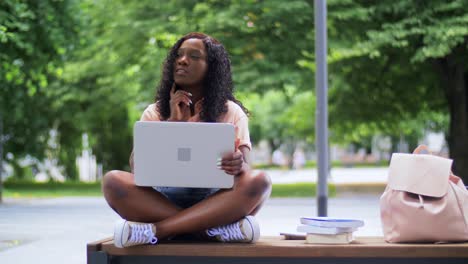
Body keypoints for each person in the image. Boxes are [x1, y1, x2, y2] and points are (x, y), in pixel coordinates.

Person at [102, 32, 272, 248]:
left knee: (260, 181)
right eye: (179, 55)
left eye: (194, 56)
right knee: (113, 181)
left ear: (211, 68)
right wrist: (172, 123)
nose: (182, 60)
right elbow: (137, 168)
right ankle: (210, 231)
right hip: (160, 200)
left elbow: (247, 170)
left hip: (217, 200)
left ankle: (158, 231)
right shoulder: (154, 112)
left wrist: (239, 163)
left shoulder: (231, 112)